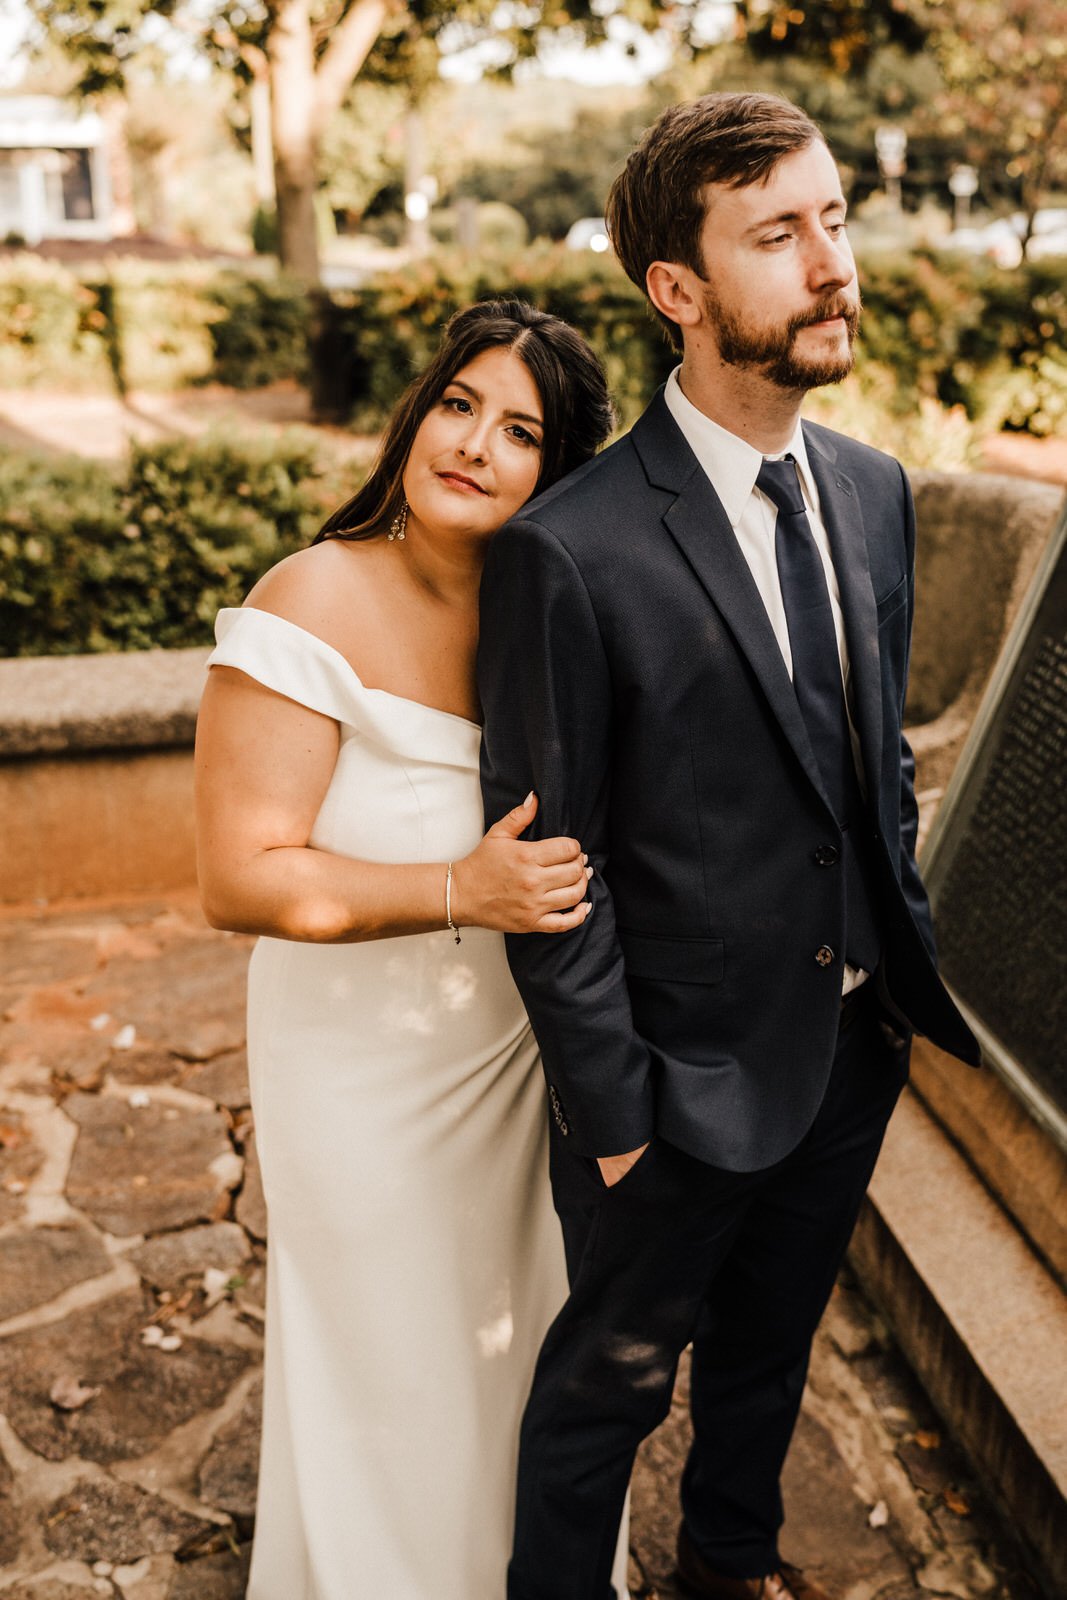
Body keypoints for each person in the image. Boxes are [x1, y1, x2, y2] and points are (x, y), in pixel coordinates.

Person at [478, 93, 981, 1600]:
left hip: (844, 1054)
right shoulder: (569, 550)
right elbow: (545, 867)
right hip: (672, 1095)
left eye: (833, 219)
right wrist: (617, 1117)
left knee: (771, 1363)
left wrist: (888, 992)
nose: (832, 264)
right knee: (601, 1403)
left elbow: (869, 759)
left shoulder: (878, 493)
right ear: (677, 293)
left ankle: (731, 1565)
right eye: (779, 235)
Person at [193, 299, 630, 1600]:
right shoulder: (311, 597)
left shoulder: (547, 619)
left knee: (512, 1336)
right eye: (458, 405)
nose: (475, 446)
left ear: (559, 475)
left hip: (508, 1065)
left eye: (521, 432)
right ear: (416, 412)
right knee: (391, 1355)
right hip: (358, 1072)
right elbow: (239, 876)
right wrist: (463, 886)